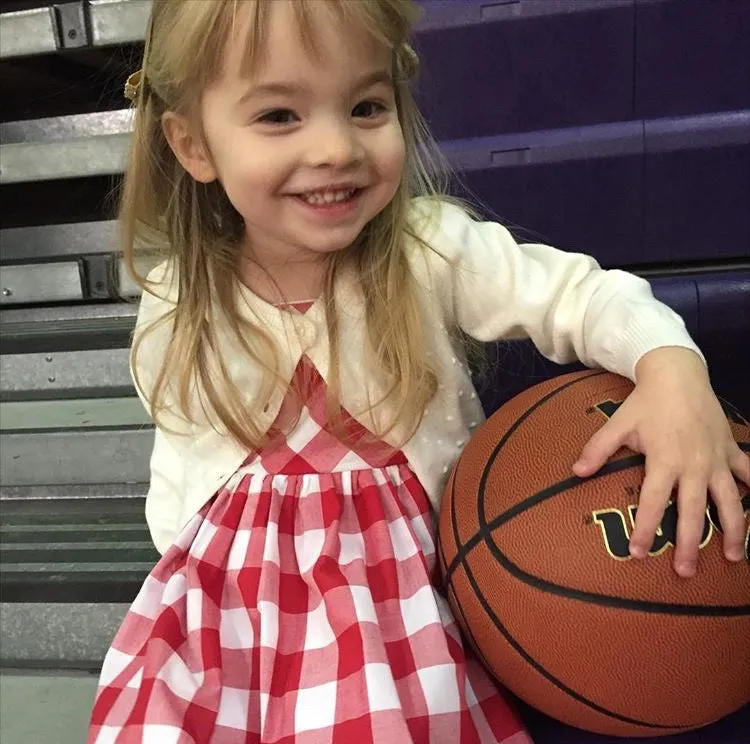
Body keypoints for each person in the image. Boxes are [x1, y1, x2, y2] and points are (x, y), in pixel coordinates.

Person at [88, 0, 749, 742]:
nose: (337, 146)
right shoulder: (179, 296)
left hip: (399, 621)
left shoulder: (427, 252)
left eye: (366, 106)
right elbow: (181, 472)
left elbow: (582, 296)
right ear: (194, 144)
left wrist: (672, 371)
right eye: (279, 116)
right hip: (229, 626)